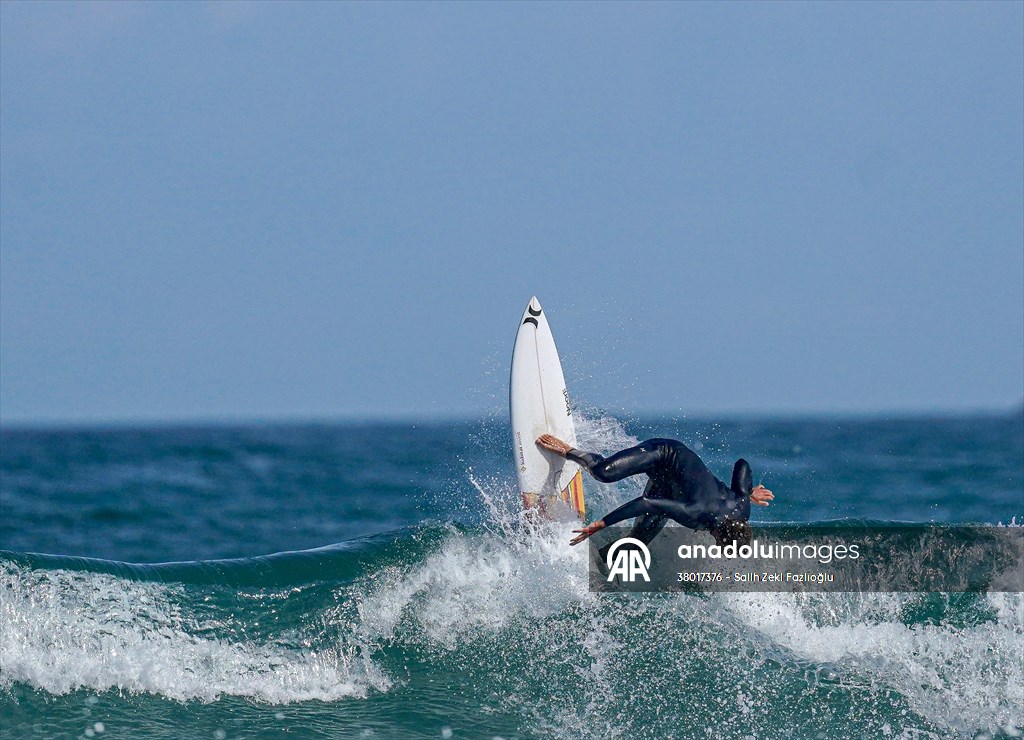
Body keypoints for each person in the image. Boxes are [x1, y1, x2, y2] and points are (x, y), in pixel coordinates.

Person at [536, 434, 774, 548]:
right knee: (604, 473)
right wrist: (603, 523)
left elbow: (742, 464)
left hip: (669, 488)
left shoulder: (743, 510)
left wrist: (748, 493)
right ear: (719, 537)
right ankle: (569, 451)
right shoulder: (697, 515)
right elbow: (647, 502)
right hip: (664, 454)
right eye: (720, 545)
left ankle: (599, 564)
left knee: (637, 543)